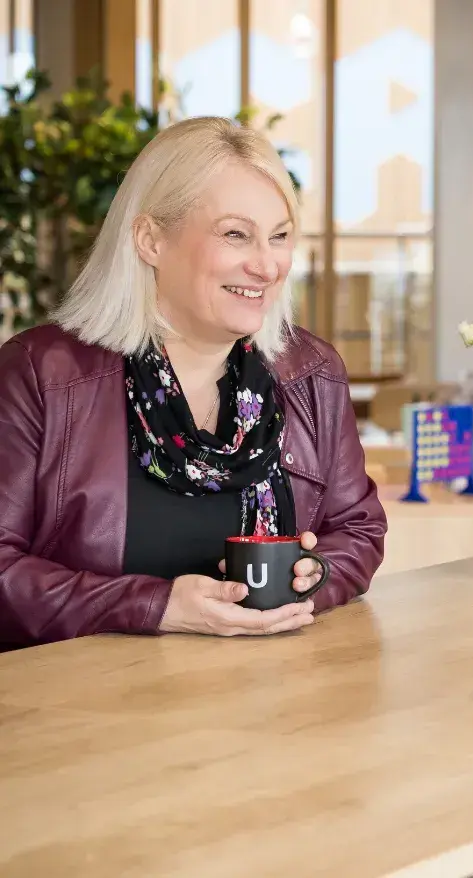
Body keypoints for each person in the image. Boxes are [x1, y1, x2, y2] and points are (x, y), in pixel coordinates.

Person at [0, 117, 387, 649]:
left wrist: (313, 577)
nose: (267, 266)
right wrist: (155, 606)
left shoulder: (311, 373)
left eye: (278, 237)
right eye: (235, 234)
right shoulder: (42, 374)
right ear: (151, 239)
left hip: (271, 707)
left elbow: (358, 533)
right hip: (86, 717)